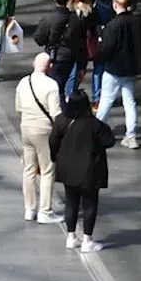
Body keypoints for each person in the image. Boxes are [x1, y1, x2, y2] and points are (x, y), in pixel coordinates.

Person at [50, 91, 116, 253]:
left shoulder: (61, 121)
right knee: (90, 204)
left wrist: (56, 158)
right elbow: (109, 141)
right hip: (90, 171)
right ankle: (87, 240)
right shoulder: (95, 124)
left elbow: (52, 142)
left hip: (68, 170)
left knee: (71, 203)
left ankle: (71, 237)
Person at [15, 53, 64, 224]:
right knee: (47, 170)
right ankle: (45, 211)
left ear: (33, 63)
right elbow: (55, 113)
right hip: (44, 130)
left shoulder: (23, 82)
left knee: (29, 169)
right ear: (49, 66)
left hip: (26, 128)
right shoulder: (51, 85)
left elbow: (18, 107)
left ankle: (30, 208)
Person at [94, 0, 141, 149]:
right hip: (130, 69)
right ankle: (131, 136)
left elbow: (106, 49)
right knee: (130, 103)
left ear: (115, 4)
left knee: (106, 102)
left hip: (114, 69)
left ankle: (95, 132)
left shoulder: (112, 26)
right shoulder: (138, 23)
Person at [33, 0, 86, 98]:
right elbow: (81, 43)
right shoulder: (76, 20)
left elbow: (39, 40)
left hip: (53, 57)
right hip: (70, 56)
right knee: (65, 85)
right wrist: (82, 66)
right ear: (67, 0)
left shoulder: (48, 19)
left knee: (53, 87)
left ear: (54, 0)